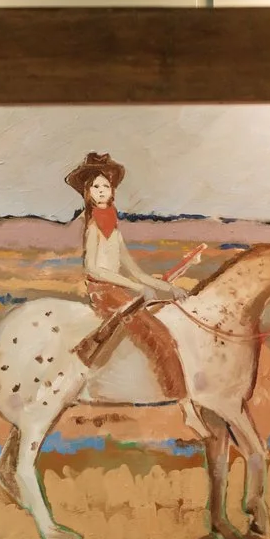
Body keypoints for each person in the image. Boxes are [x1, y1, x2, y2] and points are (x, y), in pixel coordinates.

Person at [67, 153, 195, 399]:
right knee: (158, 333)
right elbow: (93, 269)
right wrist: (133, 287)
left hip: (117, 289)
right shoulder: (93, 226)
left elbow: (136, 271)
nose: (102, 190)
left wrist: (169, 289)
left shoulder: (113, 226)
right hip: (103, 292)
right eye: (96, 186)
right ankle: (175, 395)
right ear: (88, 193)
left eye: (106, 186)